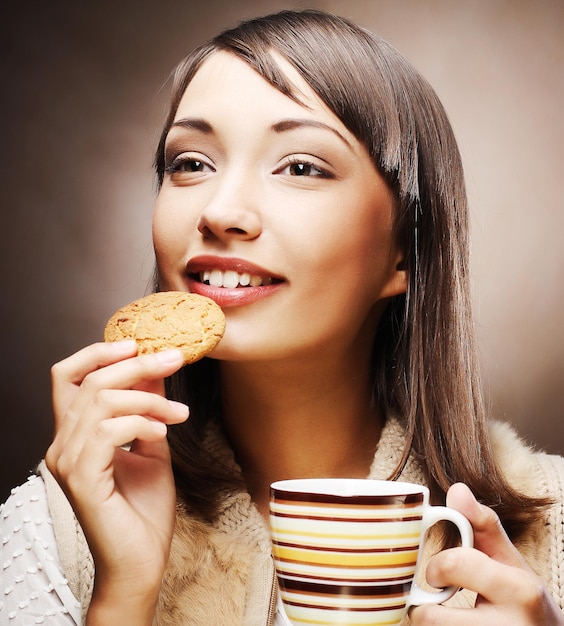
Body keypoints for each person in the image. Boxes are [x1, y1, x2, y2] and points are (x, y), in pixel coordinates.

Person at [1, 9, 563, 625]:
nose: (221, 211)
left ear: (406, 250)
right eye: (190, 163)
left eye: (300, 166)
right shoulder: (53, 532)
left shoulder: (552, 525)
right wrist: (126, 591)